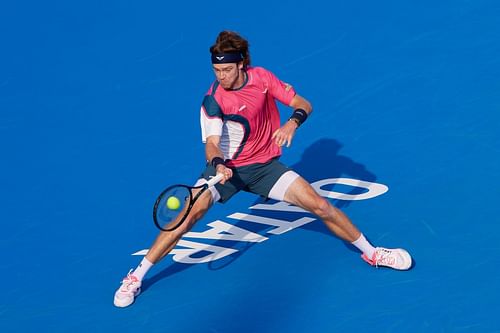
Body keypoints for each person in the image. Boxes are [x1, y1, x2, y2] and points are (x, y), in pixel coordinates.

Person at [113, 31, 412, 308]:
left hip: (265, 167)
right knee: (189, 213)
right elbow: (212, 145)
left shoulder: (263, 79)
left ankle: (373, 253)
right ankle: (136, 277)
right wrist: (219, 165)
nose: (221, 76)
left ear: (241, 64)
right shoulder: (213, 99)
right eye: (216, 71)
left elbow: (303, 103)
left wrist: (291, 123)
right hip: (225, 170)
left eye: (226, 70)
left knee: (320, 205)